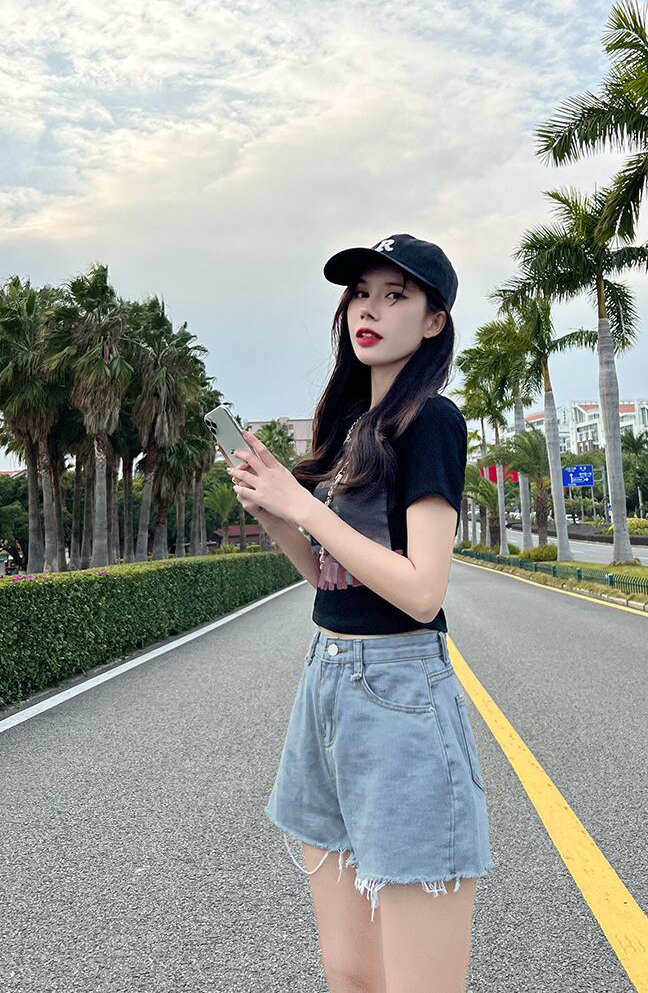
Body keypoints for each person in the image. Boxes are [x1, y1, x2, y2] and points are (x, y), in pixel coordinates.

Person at [227, 233, 494, 992]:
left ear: (434, 322)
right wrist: (277, 510)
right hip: (327, 683)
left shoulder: (431, 420)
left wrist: (304, 507)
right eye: (360, 295)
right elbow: (330, 579)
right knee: (348, 975)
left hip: (399, 692)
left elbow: (422, 590)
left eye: (394, 296)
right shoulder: (352, 432)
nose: (368, 311)